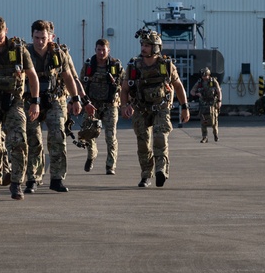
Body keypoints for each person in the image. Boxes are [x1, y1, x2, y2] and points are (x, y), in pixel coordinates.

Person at [0, 16, 39, 201]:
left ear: (6, 31)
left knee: (18, 141)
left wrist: (35, 101)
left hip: (14, 102)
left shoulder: (19, 50)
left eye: (0, 36)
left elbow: (33, 76)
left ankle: (16, 184)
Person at [121, 27, 189, 188]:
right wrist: (124, 106)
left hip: (161, 107)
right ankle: (146, 175)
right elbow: (124, 89)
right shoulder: (134, 66)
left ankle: (161, 170)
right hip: (141, 108)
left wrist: (185, 107)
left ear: (156, 47)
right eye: (142, 44)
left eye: (147, 45)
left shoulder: (165, 65)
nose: (143, 48)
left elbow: (178, 86)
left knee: (160, 138)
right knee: (143, 143)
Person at [26, 20, 83, 193]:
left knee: (57, 136)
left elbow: (68, 77)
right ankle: (32, 179)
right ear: (32, 36)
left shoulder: (57, 54)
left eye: (43, 38)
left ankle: (57, 178)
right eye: (37, 37)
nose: (40, 42)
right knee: (33, 140)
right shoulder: (25, 53)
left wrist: (76, 99)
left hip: (54, 100)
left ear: (51, 37)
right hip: (31, 101)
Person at [80, 38, 124, 174]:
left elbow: (124, 85)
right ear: (95, 50)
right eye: (98, 49)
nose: (101, 52)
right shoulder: (89, 65)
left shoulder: (115, 66)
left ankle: (110, 165)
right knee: (88, 133)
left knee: (111, 136)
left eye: (103, 50)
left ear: (108, 51)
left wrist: (125, 103)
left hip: (110, 105)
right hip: (92, 105)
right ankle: (91, 155)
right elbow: (80, 84)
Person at [190, 67, 222, 142]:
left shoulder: (213, 81)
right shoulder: (200, 82)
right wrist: (197, 94)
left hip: (212, 103)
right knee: (203, 120)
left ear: (208, 75)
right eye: (203, 76)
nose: (204, 77)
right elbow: (192, 91)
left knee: (214, 120)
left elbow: (219, 91)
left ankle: (215, 135)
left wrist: (219, 101)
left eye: (205, 76)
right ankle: (205, 137)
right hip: (203, 103)